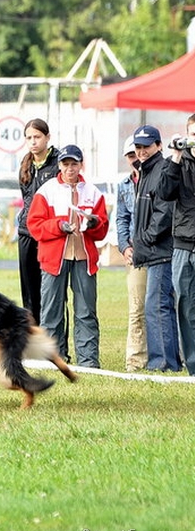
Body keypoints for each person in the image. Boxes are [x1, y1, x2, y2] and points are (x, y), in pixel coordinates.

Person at [27, 144, 109, 368]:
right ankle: (52, 359)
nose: (70, 168)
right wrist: (58, 226)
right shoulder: (46, 190)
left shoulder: (93, 192)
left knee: (86, 311)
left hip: (84, 259)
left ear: (81, 164)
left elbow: (102, 230)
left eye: (74, 163)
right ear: (59, 165)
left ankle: (89, 361)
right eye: (66, 163)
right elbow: (34, 226)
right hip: (54, 258)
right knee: (52, 310)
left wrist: (93, 224)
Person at [131, 125, 181, 372]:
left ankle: (162, 362)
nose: (141, 151)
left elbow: (165, 210)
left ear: (159, 146)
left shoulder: (160, 169)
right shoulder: (145, 170)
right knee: (160, 305)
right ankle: (168, 360)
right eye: (138, 147)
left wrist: (147, 238)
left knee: (157, 306)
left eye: (146, 146)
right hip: (153, 250)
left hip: (160, 250)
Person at [159, 114, 195, 375]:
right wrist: (175, 157)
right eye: (192, 134)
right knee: (184, 304)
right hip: (183, 242)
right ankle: (193, 366)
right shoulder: (178, 162)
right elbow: (164, 193)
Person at [17, 118, 60, 326]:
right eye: (29, 138)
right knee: (29, 293)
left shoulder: (59, 162)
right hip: (26, 233)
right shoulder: (25, 164)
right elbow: (26, 199)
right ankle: (33, 340)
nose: (33, 142)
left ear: (47, 137)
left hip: (50, 235)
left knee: (52, 292)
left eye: (37, 137)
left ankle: (56, 343)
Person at [115, 136, 147, 372]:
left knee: (168, 306)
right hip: (134, 254)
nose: (135, 159)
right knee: (136, 307)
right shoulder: (124, 185)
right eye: (131, 155)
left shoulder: (159, 177)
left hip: (159, 250)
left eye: (137, 153)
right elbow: (121, 218)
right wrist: (124, 247)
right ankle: (135, 361)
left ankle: (170, 356)